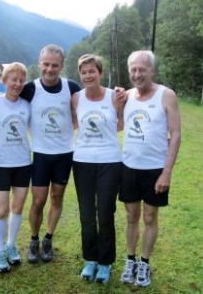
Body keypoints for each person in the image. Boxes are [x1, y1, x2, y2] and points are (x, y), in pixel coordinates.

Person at [119, 50, 181, 287]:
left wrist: (167, 172)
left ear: (151, 70)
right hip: (129, 167)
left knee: (149, 216)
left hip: (155, 169)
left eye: (142, 69)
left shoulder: (167, 95)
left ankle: (144, 263)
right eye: (133, 70)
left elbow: (175, 136)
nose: (137, 74)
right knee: (132, 216)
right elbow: (117, 123)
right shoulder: (126, 96)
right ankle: (130, 260)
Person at [19, 44, 81, 263]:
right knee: (38, 201)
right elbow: (8, 101)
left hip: (64, 154)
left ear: (62, 66)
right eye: (46, 64)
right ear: (39, 64)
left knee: (57, 197)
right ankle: (34, 239)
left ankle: (48, 239)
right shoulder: (30, 88)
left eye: (55, 65)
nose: (50, 69)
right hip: (41, 155)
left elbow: (87, 106)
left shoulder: (71, 87)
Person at [71, 54, 124, 283]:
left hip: (110, 162)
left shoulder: (115, 96)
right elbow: (73, 123)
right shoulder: (75, 98)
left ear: (100, 73)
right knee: (86, 215)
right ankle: (90, 259)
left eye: (92, 71)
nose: (88, 75)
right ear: (80, 75)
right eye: (83, 72)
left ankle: (105, 263)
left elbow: (122, 122)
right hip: (82, 162)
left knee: (105, 213)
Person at [0, 62, 31, 273]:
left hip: (23, 163)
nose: (17, 84)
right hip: (0, 164)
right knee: (1, 209)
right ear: (4, 80)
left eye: (21, 80)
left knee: (17, 208)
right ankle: (0, 250)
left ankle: (10, 245)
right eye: (13, 79)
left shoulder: (27, 105)